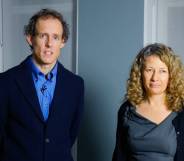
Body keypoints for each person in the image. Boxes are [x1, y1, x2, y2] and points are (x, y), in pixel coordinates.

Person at [0, 8, 84, 161]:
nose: (49, 44)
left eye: (55, 37)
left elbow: (71, 134)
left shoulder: (76, 85)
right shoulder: (5, 82)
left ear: (63, 41)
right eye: (43, 36)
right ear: (30, 38)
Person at [112, 43, 184, 161]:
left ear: (171, 75)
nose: (155, 78)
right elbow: (119, 156)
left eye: (162, 71)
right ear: (140, 74)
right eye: (149, 70)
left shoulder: (181, 111)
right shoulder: (127, 110)